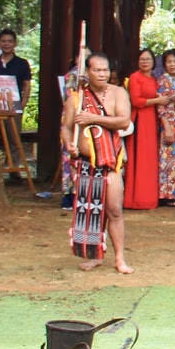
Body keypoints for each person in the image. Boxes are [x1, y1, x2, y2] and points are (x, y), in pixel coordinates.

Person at [63, 53, 134, 273]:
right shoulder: (76, 98)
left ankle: (120, 258)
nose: (102, 74)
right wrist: (69, 144)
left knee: (114, 209)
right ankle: (94, 255)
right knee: (90, 211)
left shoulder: (118, 93)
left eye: (105, 70)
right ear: (87, 72)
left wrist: (93, 118)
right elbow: (66, 127)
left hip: (111, 161)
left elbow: (124, 121)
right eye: (97, 70)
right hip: (85, 162)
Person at [124, 49, 161, 211]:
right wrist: (157, 100)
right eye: (142, 59)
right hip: (140, 119)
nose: (145, 62)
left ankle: (148, 198)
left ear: (153, 62)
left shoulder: (155, 79)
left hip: (152, 119)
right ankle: (136, 199)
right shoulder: (135, 77)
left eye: (148, 59)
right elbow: (136, 101)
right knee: (139, 158)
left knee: (150, 159)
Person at [155, 50, 175, 203]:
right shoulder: (163, 80)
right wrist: (166, 126)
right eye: (169, 62)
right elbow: (160, 106)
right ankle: (166, 194)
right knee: (167, 158)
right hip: (169, 122)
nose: (172, 64)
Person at [0, 29, 33, 111]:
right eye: (3, 41)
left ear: (15, 44)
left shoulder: (22, 63)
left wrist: (22, 106)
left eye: (10, 41)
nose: (6, 44)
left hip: (15, 106)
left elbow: (27, 86)